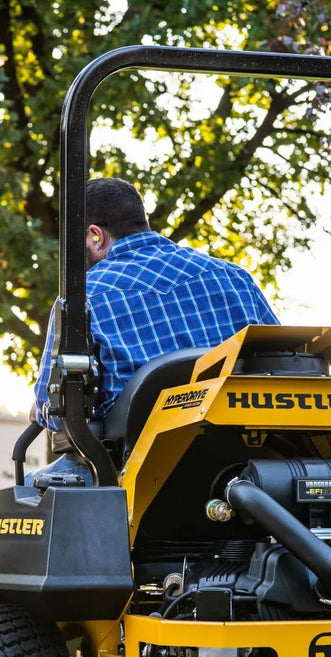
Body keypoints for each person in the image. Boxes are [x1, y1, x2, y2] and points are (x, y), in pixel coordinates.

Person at [29, 177, 280, 485]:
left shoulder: (85, 297)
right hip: (245, 469)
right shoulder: (234, 278)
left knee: (16, 497)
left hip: (133, 477)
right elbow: (281, 367)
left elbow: (56, 411)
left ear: (95, 236)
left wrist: (41, 409)